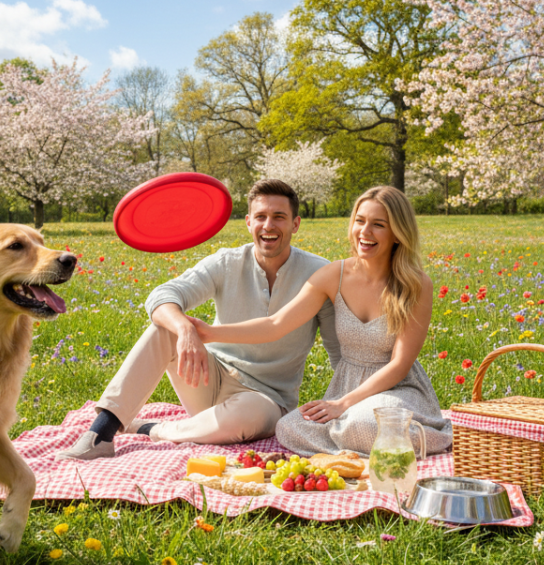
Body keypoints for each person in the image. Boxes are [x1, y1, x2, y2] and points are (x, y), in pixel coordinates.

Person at [57, 179, 341, 460]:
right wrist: (184, 330)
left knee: (248, 414)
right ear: (247, 222)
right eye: (261, 217)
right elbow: (163, 295)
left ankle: (152, 429)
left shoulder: (319, 273)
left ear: (295, 224)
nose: (268, 226)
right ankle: (101, 433)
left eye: (279, 217)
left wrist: (344, 409)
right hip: (207, 377)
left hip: (266, 400)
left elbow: (338, 349)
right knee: (165, 327)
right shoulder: (226, 262)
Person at [188, 186, 451, 457]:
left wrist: (343, 404)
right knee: (288, 428)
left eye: (378, 225)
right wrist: (209, 332)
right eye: (359, 221)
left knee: (363, 423)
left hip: (397, 388)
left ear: (397, 233)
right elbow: (276, 324)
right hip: (347, 385)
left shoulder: (415, 284)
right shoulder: (333, 275)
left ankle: (426, 437)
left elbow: (399, 364)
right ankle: (361, 450)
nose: (365, 232)